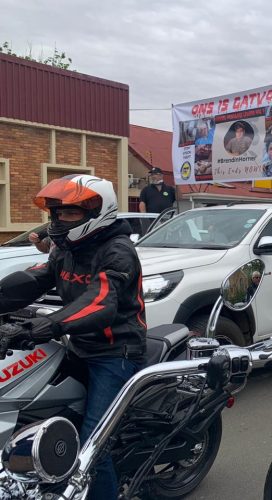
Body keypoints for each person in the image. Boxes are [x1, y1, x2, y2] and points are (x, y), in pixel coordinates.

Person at [0, 174, 146, 500]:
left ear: (97, 212)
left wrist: (43, 326)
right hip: (78, 344)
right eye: (56, 213)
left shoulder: (117, 250)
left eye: (69, 212)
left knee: (93, 446)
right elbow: (34, 280)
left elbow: (100, 302)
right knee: (44, 413)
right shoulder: (68, 249)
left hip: (115, 352)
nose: (59, 220)